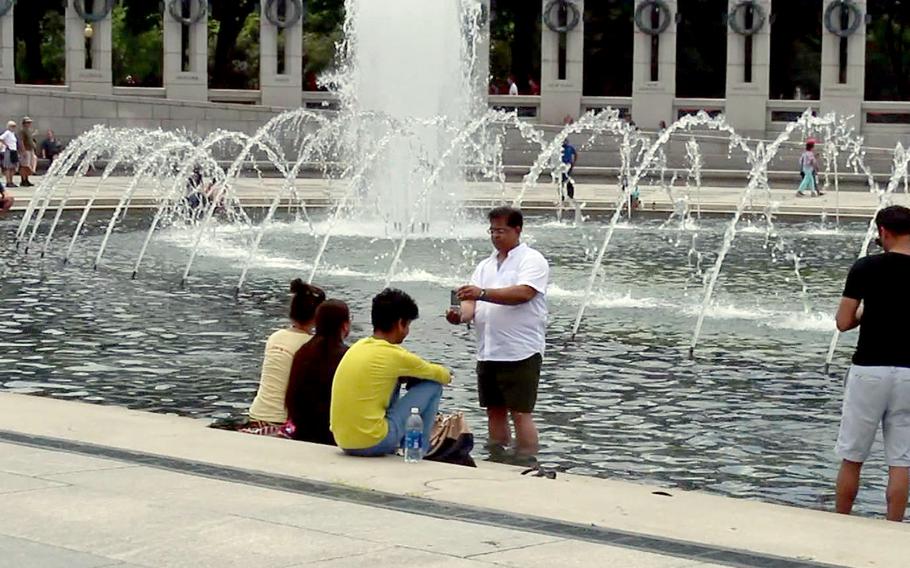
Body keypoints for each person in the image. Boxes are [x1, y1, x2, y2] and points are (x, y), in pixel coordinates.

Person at [447, 207, 550, 457]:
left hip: (519, 350)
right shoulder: (485, 265)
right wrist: (460, 315)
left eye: (501, 231)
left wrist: (482, 293)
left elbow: (524, 293)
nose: (495, 236)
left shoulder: (532, 260)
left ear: (517, 230)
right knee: (494, 409)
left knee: (520, 411)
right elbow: (471, 304)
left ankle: (526, 459)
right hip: (489, 349)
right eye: (492, 231)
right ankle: (497, 457)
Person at [834, 205, 910, 522]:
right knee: (902, 459)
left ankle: (841, 521)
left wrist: (870, 312)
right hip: (909, 372)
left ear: (883, 232)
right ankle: (893, 526)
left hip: (869, 369)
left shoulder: (865, 268)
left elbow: (843, 321)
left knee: (853, 456)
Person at [331, 288, 452, 456]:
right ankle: (418, 450)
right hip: (373, 442)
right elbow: (444, 376)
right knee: (432, 385)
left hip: (344, 441)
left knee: (394, 380)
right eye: (408, 325)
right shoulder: (395, 355)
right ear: (400, 323)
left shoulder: (358, 347)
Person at [245, 279, 326, 434]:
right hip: (282, 421)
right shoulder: (311, 344)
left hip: (256, 414)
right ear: (318, 316)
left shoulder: (275, 337)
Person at [284, 299, 351, 445]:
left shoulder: (302, 352)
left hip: (301, 431)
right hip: (331, 436)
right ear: (345, 325)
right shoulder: (347, 357)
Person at [18, 117, 37, 187]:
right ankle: (23, 180)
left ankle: (27, 179)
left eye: (30, 122)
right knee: (24, 166)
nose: (29, 124)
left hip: (30, 149)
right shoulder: (22, 131)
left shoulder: (28, 130)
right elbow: (21, 141)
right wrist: (23, 151)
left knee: (28, 165)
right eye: (28, 122)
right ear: (24, 123)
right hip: (25, 150)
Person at [1, 121, 18, 188]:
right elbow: (1, 138)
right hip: (9, 151)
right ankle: (8, 182)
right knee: (8, 167)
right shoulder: (7, 133)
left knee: (12, 168)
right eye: (12, 126)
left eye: (14, 126)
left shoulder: (13, 133)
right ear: (8, 126)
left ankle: (11, 181)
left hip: (14, 151)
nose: (13, 127)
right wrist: (6, 145)